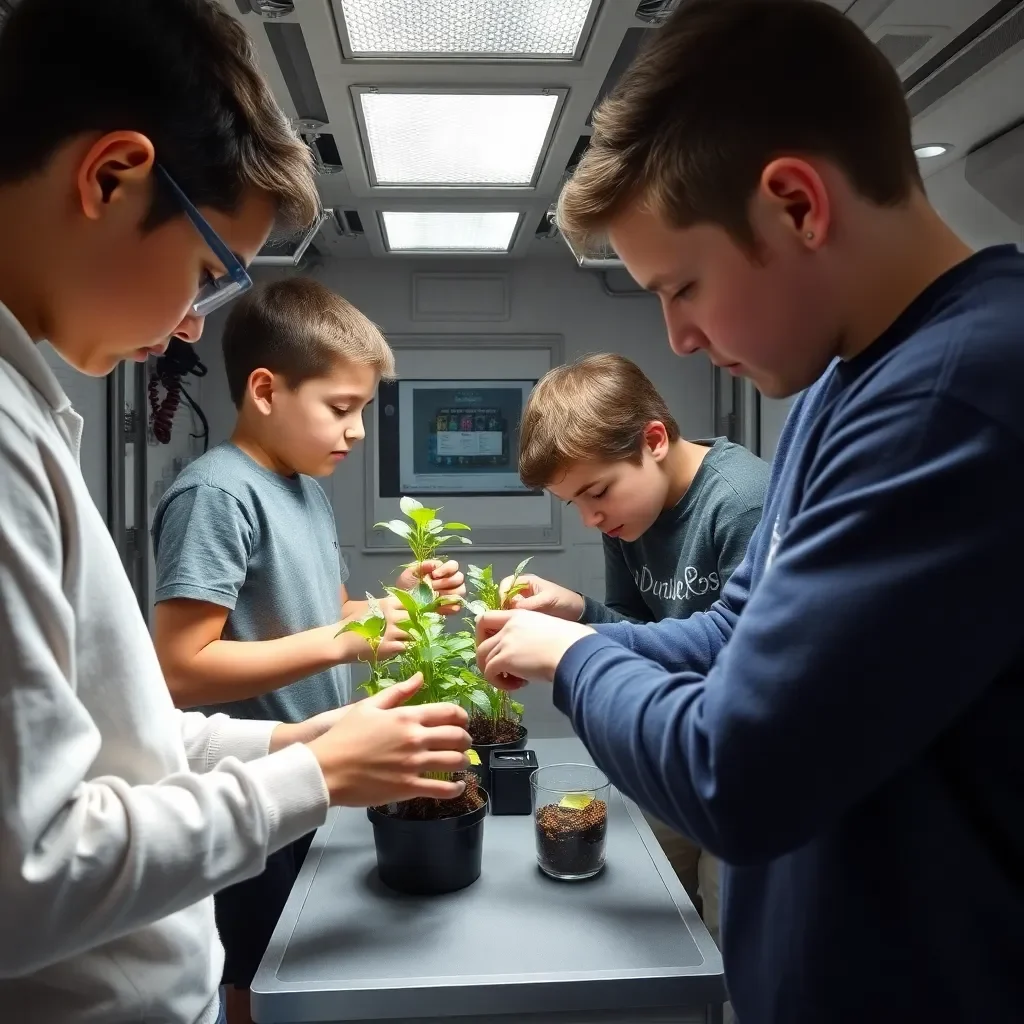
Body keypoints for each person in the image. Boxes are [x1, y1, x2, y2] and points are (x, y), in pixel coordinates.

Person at [475, 2, 1024, 1022]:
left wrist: (570, 660)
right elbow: (738, 634)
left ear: (795, 205)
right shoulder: (838, 385)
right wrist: (582, 626)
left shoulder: (958, 391)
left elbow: (738, 773)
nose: (677, 340)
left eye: (682, 286)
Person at [0, 2, 471, 1022]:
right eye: (206, 271)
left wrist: (330, 731)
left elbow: (132, 741)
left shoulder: (31, 415)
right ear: (110, 177)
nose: (185, 324)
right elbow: (27, 874)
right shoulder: (45, 444)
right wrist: (306, 772)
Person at [152, 277, 465, 1022]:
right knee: (253, 981)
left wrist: (393, 603)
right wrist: (342, 635)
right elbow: (180, 670)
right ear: (265, 390)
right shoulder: (217, 494)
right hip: (249, 790)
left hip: (312, 779)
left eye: (361, 409)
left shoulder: (304, 490)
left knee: (301, 972)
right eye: (340, 407)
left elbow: (324, 619)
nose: (356, 430)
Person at [508, 352, 768, 937]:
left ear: (653, 440)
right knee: (660, 912)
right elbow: (633, 622)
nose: (589, 518)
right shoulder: (627, 516)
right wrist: (576, 609)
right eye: (573, 502)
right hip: (673, 736)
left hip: (743, 760)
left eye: (595, 491)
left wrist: (570, 642)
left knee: (732, 936)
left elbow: (733, 641)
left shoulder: (742, 500)